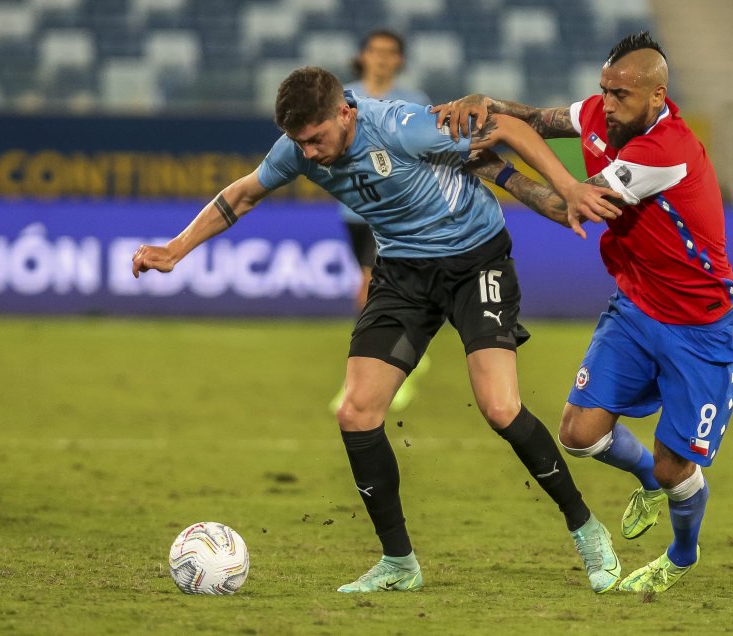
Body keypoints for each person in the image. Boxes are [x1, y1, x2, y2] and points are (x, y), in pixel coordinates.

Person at [131, 66, 627, 594]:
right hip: (403, 274)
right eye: (299, 142)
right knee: (356, 412)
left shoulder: (400, 125)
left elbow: (506, 128)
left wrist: (569, 186)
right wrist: (175, 249)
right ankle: (398, 562)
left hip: (475, 261)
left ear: (345, 112)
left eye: (317, 138)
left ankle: (587, 530)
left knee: (500, 408)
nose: (311, 153)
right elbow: (244, 194)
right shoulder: (297, 150)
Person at [435, 31, 733, 594]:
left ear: (657, 97)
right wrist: (490, 103)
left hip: (701, 328)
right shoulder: (600, 113)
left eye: (621, 95)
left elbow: (569, 207)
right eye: (603, 91)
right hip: (635, 308)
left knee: (675, 466)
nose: (606, 104)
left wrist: (498, 171)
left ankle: (682, 555)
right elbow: (539, 116)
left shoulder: (663, 152)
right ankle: (646, 483)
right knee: (579, 434)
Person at [330, 29, 432, 414]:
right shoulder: (342, 97)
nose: (383, 58)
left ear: (399, 60)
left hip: (396, 211)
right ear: (363, 55)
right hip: (355, 210)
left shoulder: (414, 101)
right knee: (378, 289)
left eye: (391, 52)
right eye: (376, 51)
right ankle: (405, 359)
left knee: (368, 288)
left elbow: (426, 153)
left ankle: (368, 379)